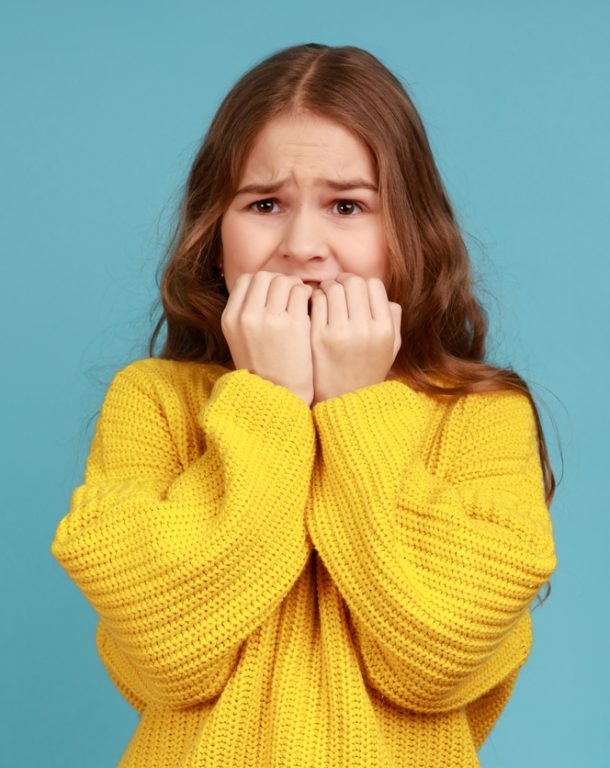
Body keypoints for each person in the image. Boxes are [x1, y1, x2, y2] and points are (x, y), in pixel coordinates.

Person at [50, 42, 558, 768]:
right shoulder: (152, 402)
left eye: (347, 205)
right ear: (215, 237)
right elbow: (169, 655)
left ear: (406, 235)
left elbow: (436, 657)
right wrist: (270, 402)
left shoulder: (484, 416)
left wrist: (355, 409)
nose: (303, 246)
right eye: (264, 205)